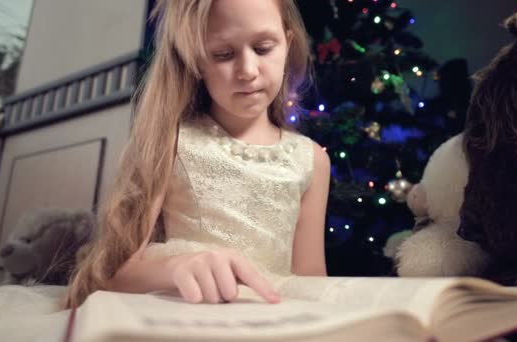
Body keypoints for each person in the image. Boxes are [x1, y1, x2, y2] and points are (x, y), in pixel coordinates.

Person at [65, 0, 331, 308]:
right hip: (185, 321)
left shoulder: (311, 160)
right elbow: (107, 276)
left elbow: (312, 282)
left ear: (288, 42)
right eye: (222, 54)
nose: (247, 70)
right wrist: (175, 267)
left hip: (269, 325)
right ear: (195, 61)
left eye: (262, 48)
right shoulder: (171, 143)